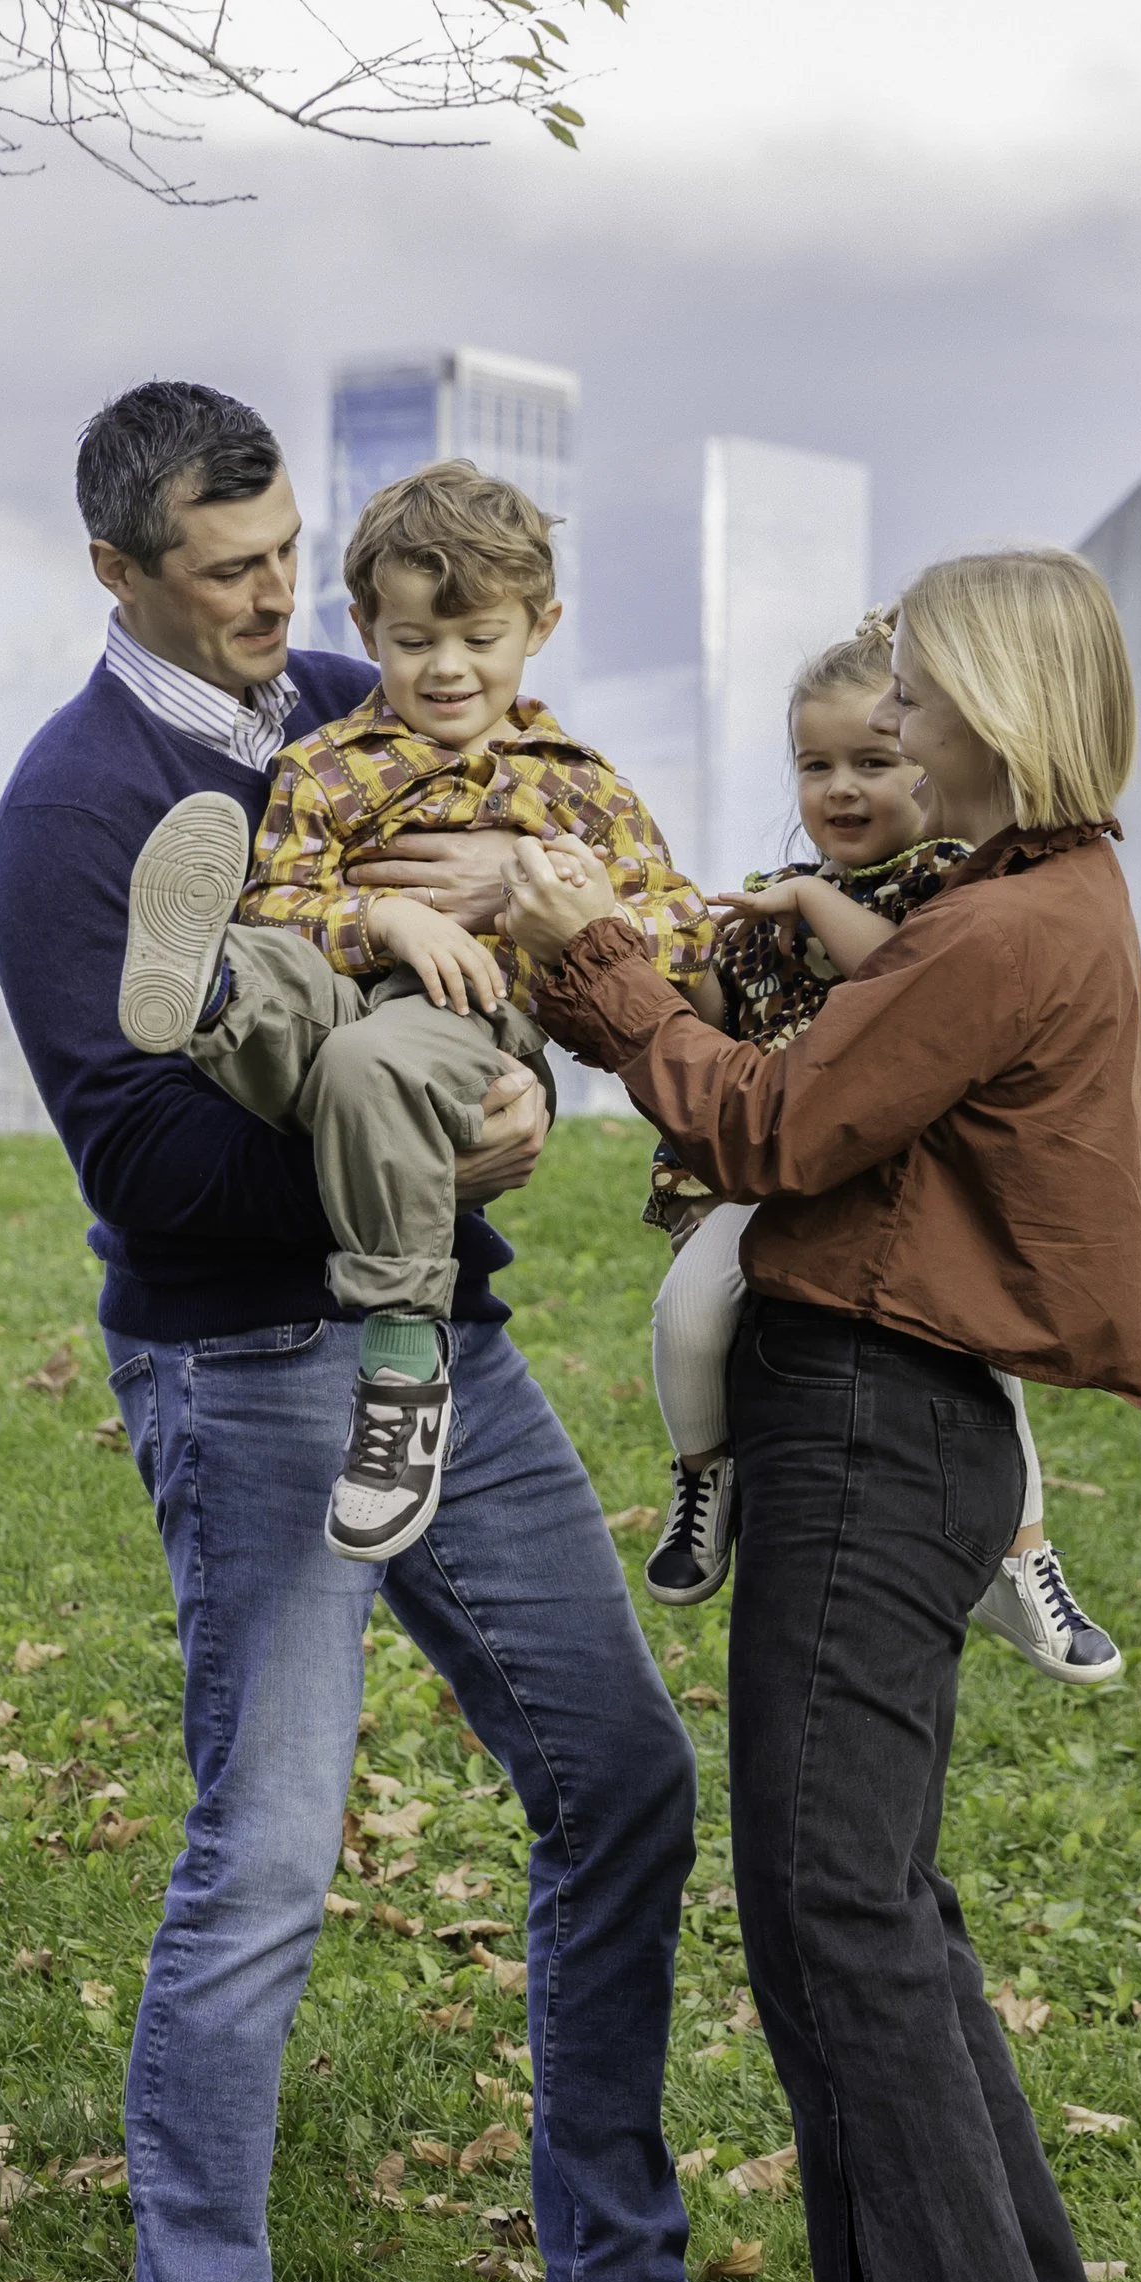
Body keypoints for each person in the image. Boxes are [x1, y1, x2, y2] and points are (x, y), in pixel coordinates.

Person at [0, 379, 823, 2282]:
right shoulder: (77, 805)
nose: (282, 603)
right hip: (253, 1363)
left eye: (290, 556)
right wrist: (420, 1148)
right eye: (227, 574)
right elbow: (144, 1165)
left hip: (448, 1336)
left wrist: (525, 1027)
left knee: (621, 1775)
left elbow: (552, 924)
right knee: (267, 1853)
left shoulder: (376, 708)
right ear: (115, 573)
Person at [501, 546, 1141, 2282]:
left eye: (922, 699)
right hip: (881, 1412)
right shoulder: (1024, 897)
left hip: (874, 1420)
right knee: (875, 1902)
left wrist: (599, 971)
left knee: (832, 1910)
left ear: (1002, 707)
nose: (898, 728)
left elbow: (775, 1128)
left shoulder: (1008, 924)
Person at [115, 458, 708, 1565]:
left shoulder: (577, 785)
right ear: (365, 630)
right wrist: (385, 918)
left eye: (479, 638)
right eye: (413, 640)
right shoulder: (322, 766)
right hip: (342, 990)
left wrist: (555, 900)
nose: (445, 667)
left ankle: (402, 1361)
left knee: (366, 1062)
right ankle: (204, 986)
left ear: (539, 628)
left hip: (473, 1015)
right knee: (266, 959)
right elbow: (282, 899)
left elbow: (684, 930)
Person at [640, 618, 1123, 1690]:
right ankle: (704, 1475)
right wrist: (669, 958)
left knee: (983, 1358)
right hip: (777, 1167)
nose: (841, 788)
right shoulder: (780, 892)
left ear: (928, 761)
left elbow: (903, 983)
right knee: (688, 1311)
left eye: (872, 759)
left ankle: (1024, 1557)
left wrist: (814, 901)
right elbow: (724, 1023)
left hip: (907, 1183)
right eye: (815, 765)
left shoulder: (950, 883)